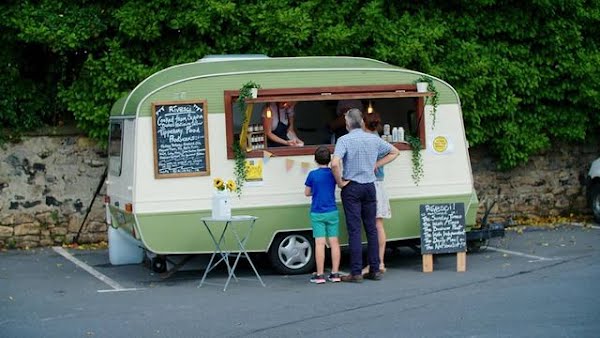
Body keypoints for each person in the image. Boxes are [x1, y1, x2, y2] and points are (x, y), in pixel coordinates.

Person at [331, 108, 400, 282]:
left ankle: (356, 272)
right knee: (371, 229)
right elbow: (395, 152)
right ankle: (375, 269)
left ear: (347, 123)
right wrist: (376, 164)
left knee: (354, 231)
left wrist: (340, 182)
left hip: (352, 187)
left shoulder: (343, 140)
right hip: (370, 186)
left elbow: (334, 163)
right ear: (361, 122)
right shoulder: (373, 139)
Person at [304, 146, 342, 284]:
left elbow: (307, 193)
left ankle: (320, 275)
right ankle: (335, 273)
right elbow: (339, 182)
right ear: (329, 159)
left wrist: (316, 191)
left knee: (319, 243)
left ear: (315, 160)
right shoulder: (333, 173)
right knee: (334, 242)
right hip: (332, 211)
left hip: (317, 212)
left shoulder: (312, 175)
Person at [362, 112, 391, 275]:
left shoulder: (369, 140)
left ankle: (377, 262)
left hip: (371, 184)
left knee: (373, 225)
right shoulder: (378, 139)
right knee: (377, 224)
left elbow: (394, 152)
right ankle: (379, 262)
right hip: (378, 184)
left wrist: (376, 164)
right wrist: (378, 163)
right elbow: (394, 152)